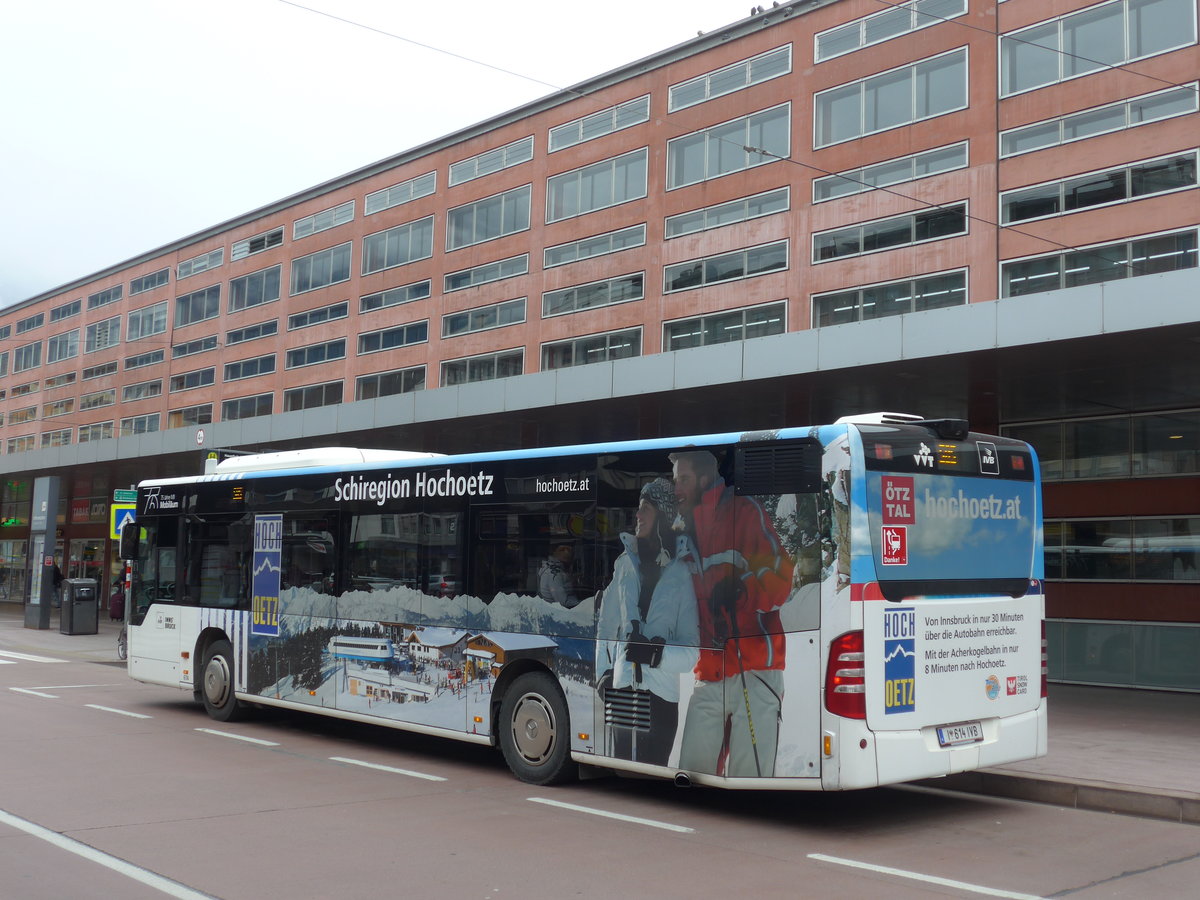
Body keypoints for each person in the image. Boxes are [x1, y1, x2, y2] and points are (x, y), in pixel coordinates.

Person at [671, 449, 793, 778]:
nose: (676, 488)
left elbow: (782, 578)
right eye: (674, 480)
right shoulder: (683, 532)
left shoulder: (744, 513)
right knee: (692, 772)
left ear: (705, 479)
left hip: (754, 667)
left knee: (748, 777)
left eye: (683, 479)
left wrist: (742, 589)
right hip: (710, 669)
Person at [595, 478, 699, 765]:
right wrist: (604, 673)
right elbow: (607, 626)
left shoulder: (681, 575)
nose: (637, 516)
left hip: (661, 698)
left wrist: (657, 655)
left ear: (663, 515)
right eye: (638, 509)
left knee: (652, 783)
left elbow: (693, 650)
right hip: (623, 689)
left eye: (645, 509)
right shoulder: (624, 565)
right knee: (622, 777)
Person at [537, 542, 577, 608]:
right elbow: (563, 602)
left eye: (569, 550)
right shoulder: (554, 573)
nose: (566, 553)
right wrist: (585, 604)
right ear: (554, 552)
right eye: (562, 550)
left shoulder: (556, 569)